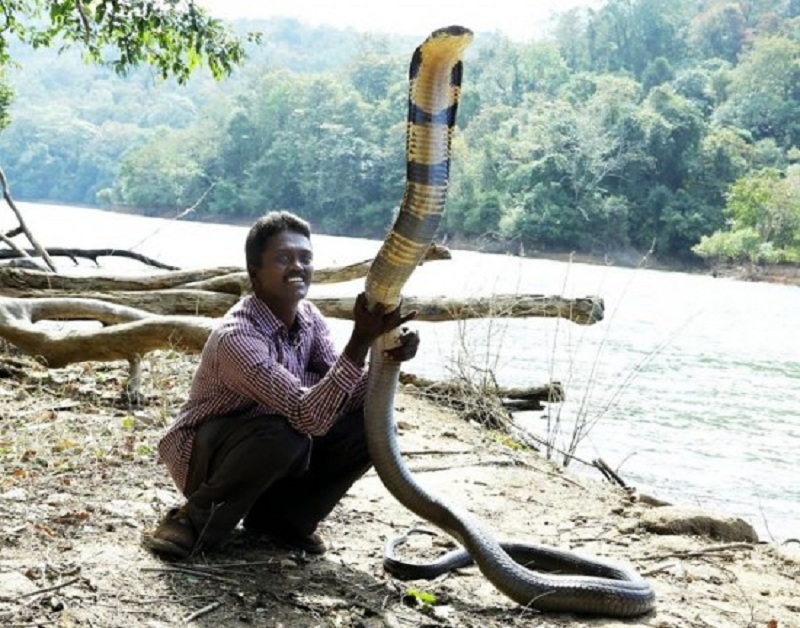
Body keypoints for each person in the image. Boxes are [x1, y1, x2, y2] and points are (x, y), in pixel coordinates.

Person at [144, 210, 419, 559]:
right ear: (255, 274)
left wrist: (387, 354)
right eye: (283, 258)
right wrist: (360, 341)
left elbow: (341, 391)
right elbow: (308, 416)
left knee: (372, 423)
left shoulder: (310, 319)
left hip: (276, 450)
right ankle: (193, 519)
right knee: (283, 434)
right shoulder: (238, 337)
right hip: (212, 456)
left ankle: (282, 522)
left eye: (305, 258)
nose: (297, 267)